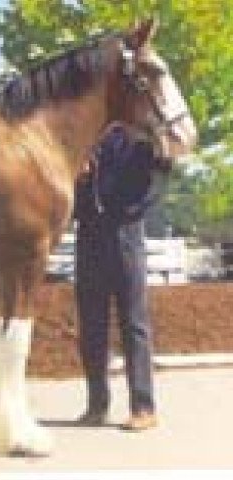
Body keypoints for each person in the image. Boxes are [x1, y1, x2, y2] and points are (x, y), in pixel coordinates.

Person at [74, 123, 170, 431]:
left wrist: (133, 210)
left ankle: (143, 406)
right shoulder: (86, 134)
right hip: (89, 233)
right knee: (91, 322)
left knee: (133, 322)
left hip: (126, 232)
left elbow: (159, 174)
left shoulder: (140, 137)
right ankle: (96, 405)